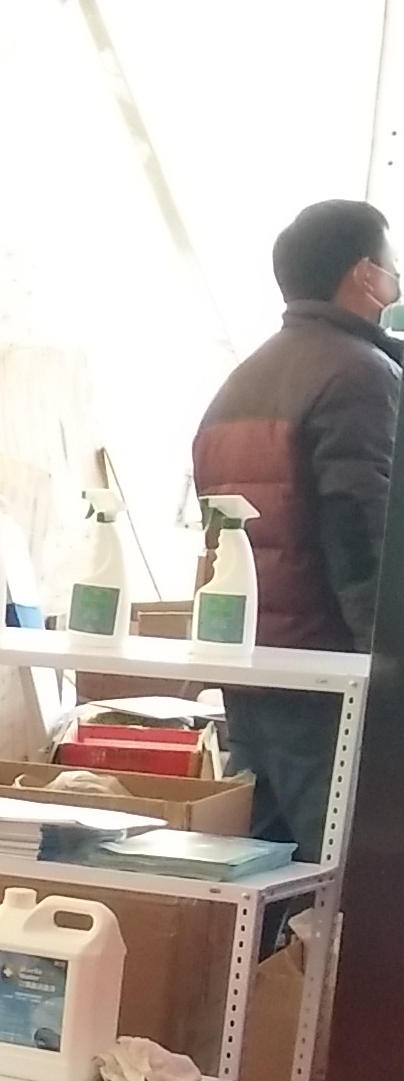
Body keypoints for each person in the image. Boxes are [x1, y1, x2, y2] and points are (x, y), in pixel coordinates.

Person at [193, 198, 399, 853]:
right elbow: (365, 534)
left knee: (260, 870)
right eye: (391, 262)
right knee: (350, 871)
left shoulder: (240, 382)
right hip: (328, 677)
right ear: (366, 274)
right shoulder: (360, 375)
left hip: (253, 667)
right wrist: (390, 666)